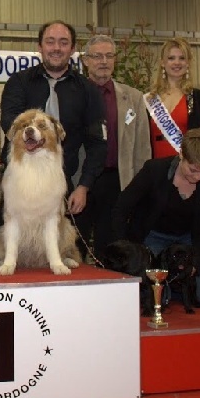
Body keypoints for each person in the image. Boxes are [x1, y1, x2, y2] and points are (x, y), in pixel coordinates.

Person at [0, 20, 107, 218]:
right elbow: (10, 124)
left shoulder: (88, 89)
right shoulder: (18, 82)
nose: (56, 48)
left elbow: (97, 143)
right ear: (39, 46)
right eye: (50, 42)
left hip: (66, 184)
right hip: (20, 182)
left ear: (73, 49)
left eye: (64, 42)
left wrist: (83, 186)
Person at [111, 128, 200, 306]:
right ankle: (167, 289)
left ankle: (173, 287)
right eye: (193, 170)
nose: (198, 177)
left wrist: (196, 261)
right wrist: (126, 249)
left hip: (189, 238)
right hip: (153, 236)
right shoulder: (154, 170)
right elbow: (121, 207)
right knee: (155, 299)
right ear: (181, 155)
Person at [74, 34, 150, 262]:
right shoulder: (71, 93)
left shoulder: (134, 98)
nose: (103, 61)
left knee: (112, 247)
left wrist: (138, 187)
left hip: (117, 180)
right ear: (85, 61)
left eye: (109, 56)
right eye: (97, 56)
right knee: (75, 245)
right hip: (79, 180)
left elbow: (142, 147)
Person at [145, 38, 200, 159]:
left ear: (188, 62)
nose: (177, 62)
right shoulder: (149, 99)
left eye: (182, 58)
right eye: (171, 58)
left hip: (186, 167)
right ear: (162, 62)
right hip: (153, 166)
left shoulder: (198, 98)